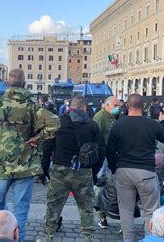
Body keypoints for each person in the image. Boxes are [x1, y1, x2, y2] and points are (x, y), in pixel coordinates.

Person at [0, 69, 60, 242]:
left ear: (7, 84)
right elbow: (55, 122)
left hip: (1, 165)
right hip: (25, 165)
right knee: (20, 211)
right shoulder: (32, 106)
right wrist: (37, 138)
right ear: (24, 85)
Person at [106, 94, 164, 241]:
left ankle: (128, 239)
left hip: (123, 170)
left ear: (127, 106)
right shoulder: (152, 124)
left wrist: (114, 168)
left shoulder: (119, 124)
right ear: (143, 107)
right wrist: (162, 123)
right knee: (150, 210)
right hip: (146, 171)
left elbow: (109, 150)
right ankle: (149, 238)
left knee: (126, 210)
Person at [42, 95, 105, 241]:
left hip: (60, 170)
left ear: (69, 106)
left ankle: (48, 237)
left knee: (53, 206)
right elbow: (101, 151)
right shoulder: (92, 125)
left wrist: (44, 170)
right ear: (84, 107)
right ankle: (88, 237)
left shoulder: (58, 122)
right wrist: (94, 172)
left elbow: (46, 148)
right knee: (86, 208)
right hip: (83, 171)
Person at [92, 95, 119, 229]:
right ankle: (98, 206)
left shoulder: (111, 117)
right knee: (100, 180)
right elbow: (95, 135)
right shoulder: (100, 117)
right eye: (115, 105)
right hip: (103, 156)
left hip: (111, 154)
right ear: (107, 105)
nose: (117, 108)